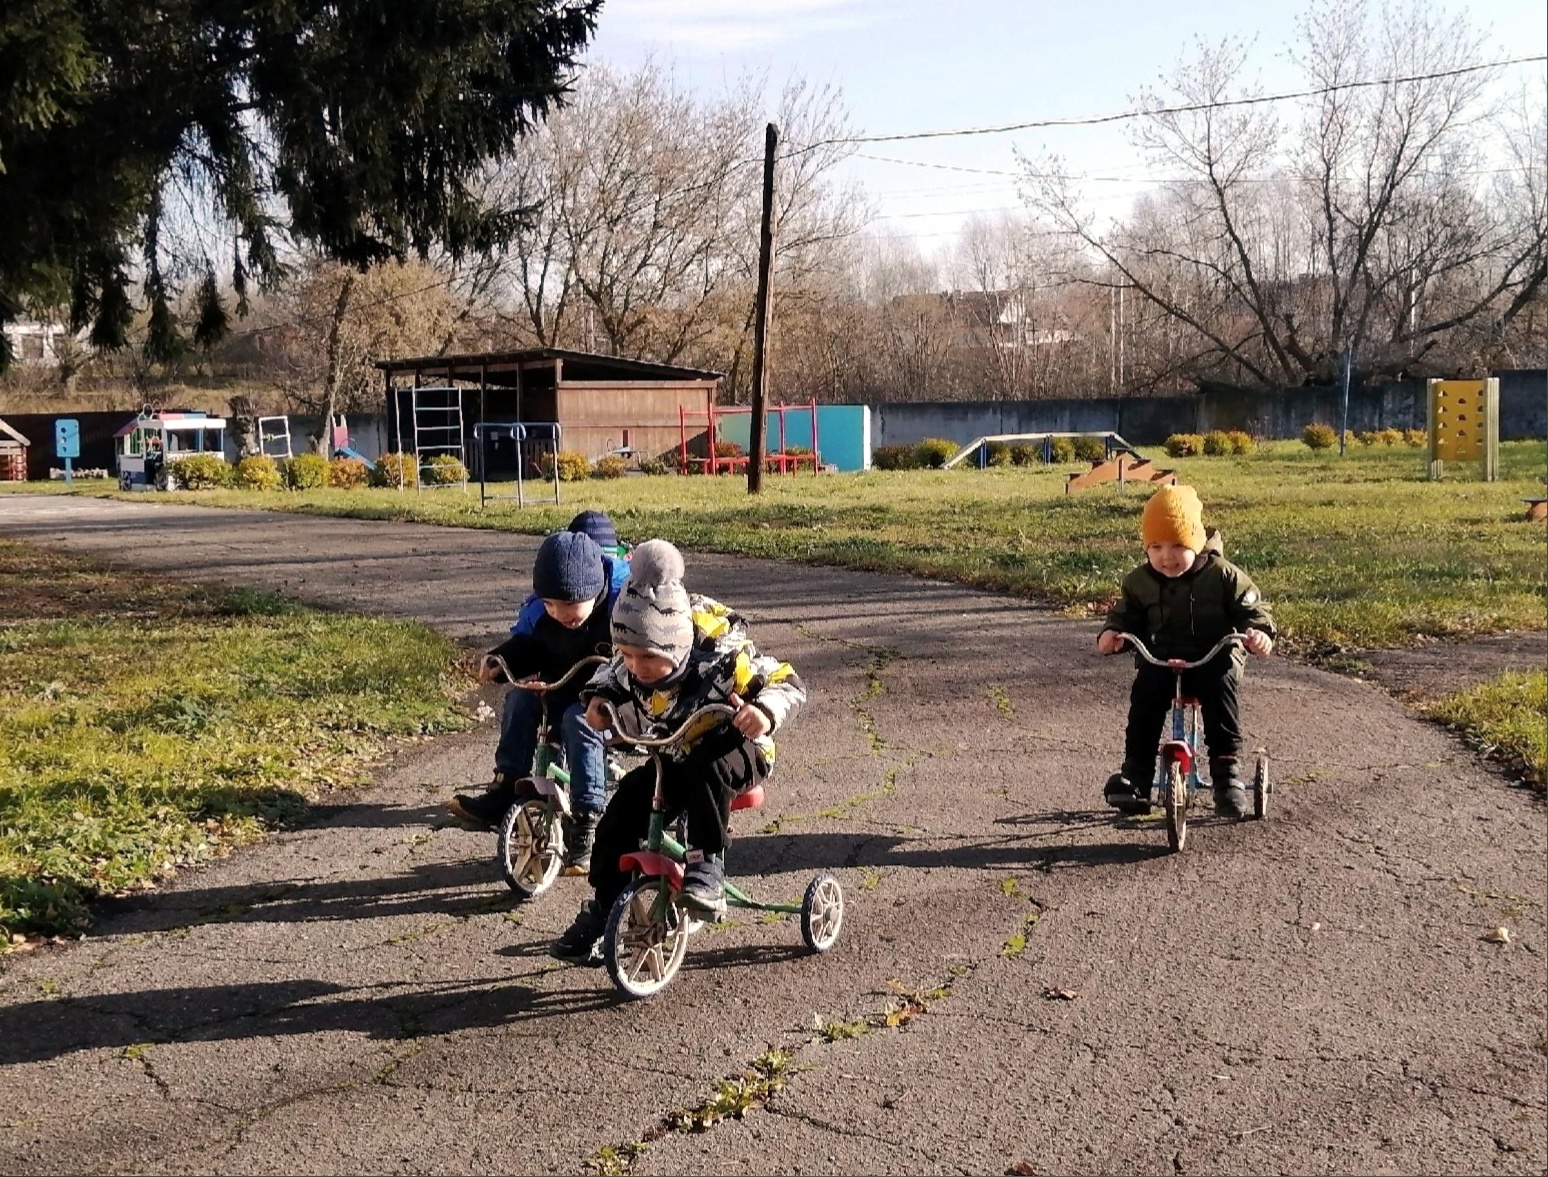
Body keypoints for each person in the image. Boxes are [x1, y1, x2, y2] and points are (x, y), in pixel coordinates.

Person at [551, 539, 806, 962]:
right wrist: (598, 701)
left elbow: (787, 681)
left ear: (674, 648)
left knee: (704, 768)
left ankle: (707, 868)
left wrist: (763, 710)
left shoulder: (721, 660)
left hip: (738, 747)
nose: (635, 666)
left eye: (646, 658)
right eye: (627, 654)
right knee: (625, 805)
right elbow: (610, 677)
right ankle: (604, 904)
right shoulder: (631, 656)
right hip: (673, 750)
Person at [447, 526, 623, 873]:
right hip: (560, 689)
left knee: (580, 720)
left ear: (595, 591)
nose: (560, 614)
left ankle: (587, 816)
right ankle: (506, 785)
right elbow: (529, 645)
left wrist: (610, 692)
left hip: (608, 703)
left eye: (570, 605)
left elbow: (635, 665)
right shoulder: (547, 617)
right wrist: (502, 660)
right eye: (550, 605)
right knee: (519, 701)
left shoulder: (617, 615)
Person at [1096, 484, 1275, 820]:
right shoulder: (1139, 582)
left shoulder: (1222, 574)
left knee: (1220, 693)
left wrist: (1259, 633)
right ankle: (1136, 775)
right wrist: (1112, 633)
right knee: (1145, 698)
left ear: (1196, 541)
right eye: (1157, 546)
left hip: (1212, 656)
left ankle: (1226, 776)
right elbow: (1126, 614)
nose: (1167, 556)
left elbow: (1252, 608)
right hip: (1162, 658)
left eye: (1179, 545)